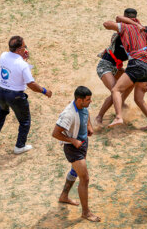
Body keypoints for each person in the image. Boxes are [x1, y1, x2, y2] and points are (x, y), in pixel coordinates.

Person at [0, 36, 52, 154]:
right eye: (24, 47)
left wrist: (22, 58)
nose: (25, 48)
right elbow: (31, 84)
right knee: (25, 121)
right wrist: (45, 91)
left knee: (1, 111)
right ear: (18, 50)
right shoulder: (22, 65)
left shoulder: (3, 55)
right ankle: (19, 146)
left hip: (1, 91)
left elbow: (13, 68)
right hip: (15, 96)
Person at [52, 86, 101, 222]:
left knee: (76, 171)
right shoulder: (68, 114)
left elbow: (86, 113)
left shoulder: (83, 107)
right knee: (84, 178)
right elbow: (55, 133)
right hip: (73, 148)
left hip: (83, 143)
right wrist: (72, 140)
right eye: (88, 100)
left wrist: (88, 126)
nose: (90, 102)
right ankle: (86, 212)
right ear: (79, 100)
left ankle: (64, 196)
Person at [102, 16, 147, 131]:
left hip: (137, 65)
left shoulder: (133, 30)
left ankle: (118, 117)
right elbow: (119, 18)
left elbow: (110, 22)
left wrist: (135, 25)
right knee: (139, 99)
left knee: (115, 90)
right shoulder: (139, 36)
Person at [95, 8, 140, 125]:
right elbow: (107, 23)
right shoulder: (123, 29)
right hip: (105, 65)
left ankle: (121, 102)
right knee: (115, 91)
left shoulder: (136, 33)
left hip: (117, 67)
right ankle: (99, 117)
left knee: (130, 83)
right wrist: (131, 23)